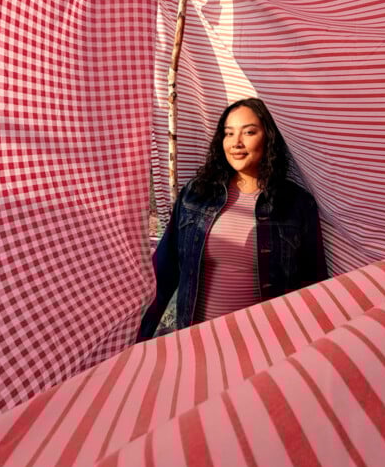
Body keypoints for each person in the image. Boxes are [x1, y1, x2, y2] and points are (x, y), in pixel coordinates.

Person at [137, 97, 328, 340]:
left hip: (265, 343)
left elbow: (313, 285)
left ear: (269, 138)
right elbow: (162, 275)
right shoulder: (196, 196)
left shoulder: (296, 204)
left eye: (249, 132)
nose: (236, 143)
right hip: (194, 338)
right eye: (229, 133)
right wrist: (139, 338)